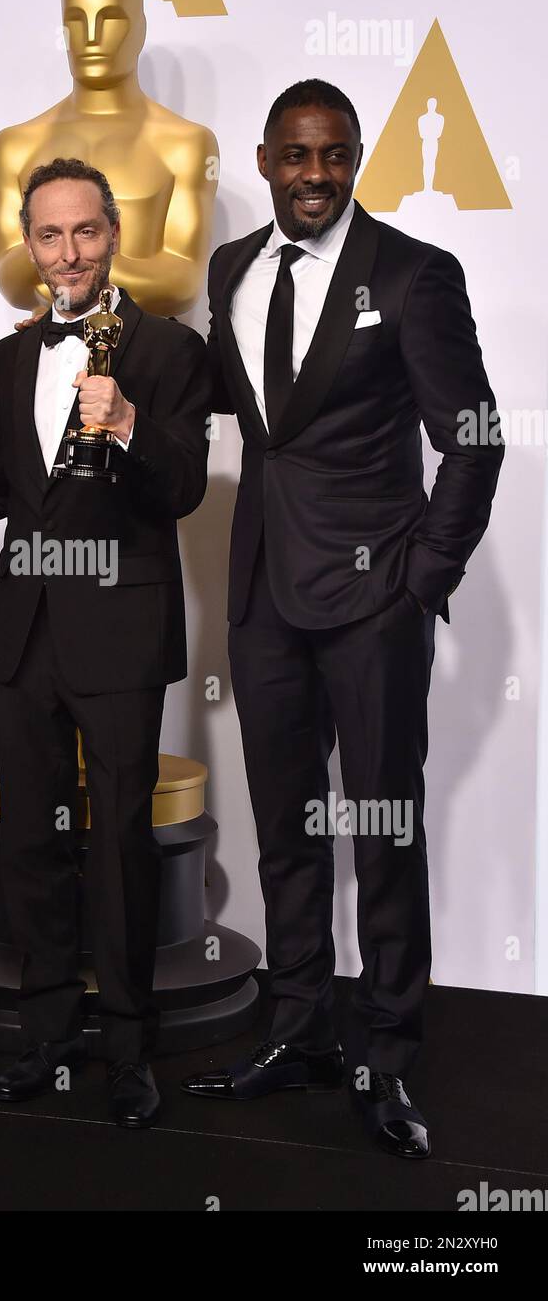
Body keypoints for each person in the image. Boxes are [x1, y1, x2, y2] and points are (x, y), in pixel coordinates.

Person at [182, 80, 504, 1158]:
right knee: (283, 827)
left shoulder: (413, 275)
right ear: (264, 159)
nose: (313, 175)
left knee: (379, 827)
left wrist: (421, 576)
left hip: (372, 600)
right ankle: (298, 1030)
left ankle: (385, 1056)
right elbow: (244, 406)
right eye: (294, 156)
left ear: (354, 158)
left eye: (333, 157)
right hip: (262, 594)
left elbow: (472, 435)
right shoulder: (230, 271)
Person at [0, 157, 213, 1128]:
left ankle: (124, 1045)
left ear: (112, 234)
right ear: (28, 247)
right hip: (23, 629)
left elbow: (185, 485)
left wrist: (124, 426)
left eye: (83, 231)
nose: (66, 251)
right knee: (29, 838)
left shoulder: (166, 352)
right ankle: (44, 1033)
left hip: (117, 627)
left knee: (116, 842)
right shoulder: (2, 360)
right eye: (47, 234)